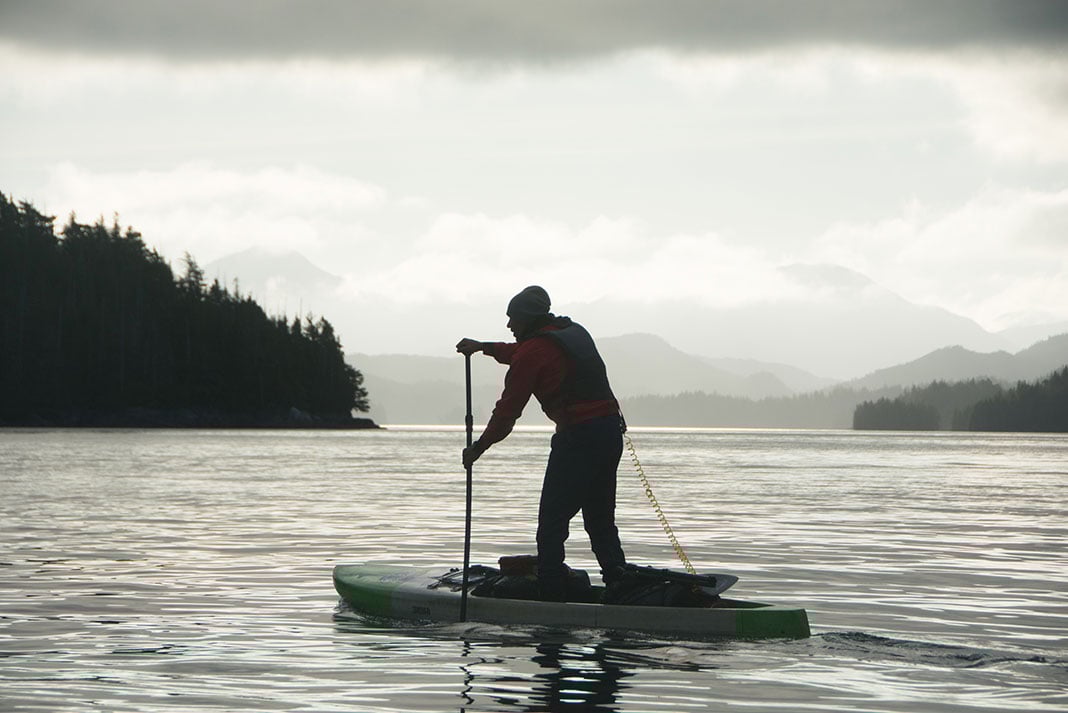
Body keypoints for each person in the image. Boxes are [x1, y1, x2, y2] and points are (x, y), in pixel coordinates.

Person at [456, 285, 628, 601]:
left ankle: (550, 593)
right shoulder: (570, 332)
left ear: (527, 319)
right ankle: (619, 582)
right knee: (600, 520)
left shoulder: (533, 352)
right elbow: (521, 353)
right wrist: (484, 347)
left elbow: (507, 412)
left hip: (578, 438)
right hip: (609, 432)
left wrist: (478, 448)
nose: (508, 325)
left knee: (551, 523)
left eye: (512, 319)